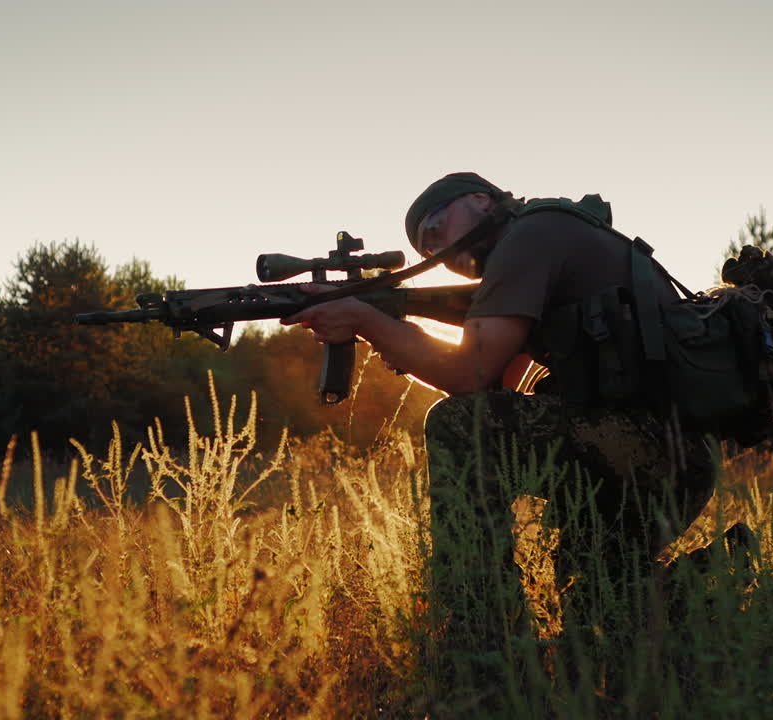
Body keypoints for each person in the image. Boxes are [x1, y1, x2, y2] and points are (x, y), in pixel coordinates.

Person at [281, 172, 718, 710]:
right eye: (426, 248)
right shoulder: (538, 242)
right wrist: (387, 319)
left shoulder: (532, 236)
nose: (438, 253)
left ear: (481, 200)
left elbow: (468, 387)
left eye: (438, 232)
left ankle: (478, 650)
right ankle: (709, 595)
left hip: (651, 451)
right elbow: (490, 384)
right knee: (601, 621)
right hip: (652, 460)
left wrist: (366, 320)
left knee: (456, 426)